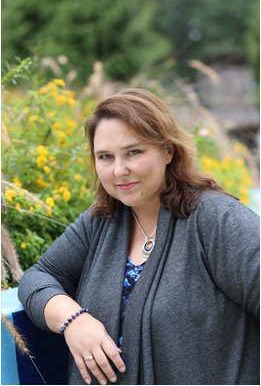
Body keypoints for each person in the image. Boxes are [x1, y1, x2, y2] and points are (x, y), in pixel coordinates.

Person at [18, 88, 260, 385]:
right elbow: (38, 277)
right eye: (105, 156)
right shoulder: (101, 221)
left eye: (134, 151)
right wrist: (74, 321)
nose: (120, 170)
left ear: (168, 150)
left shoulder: (218, 221)